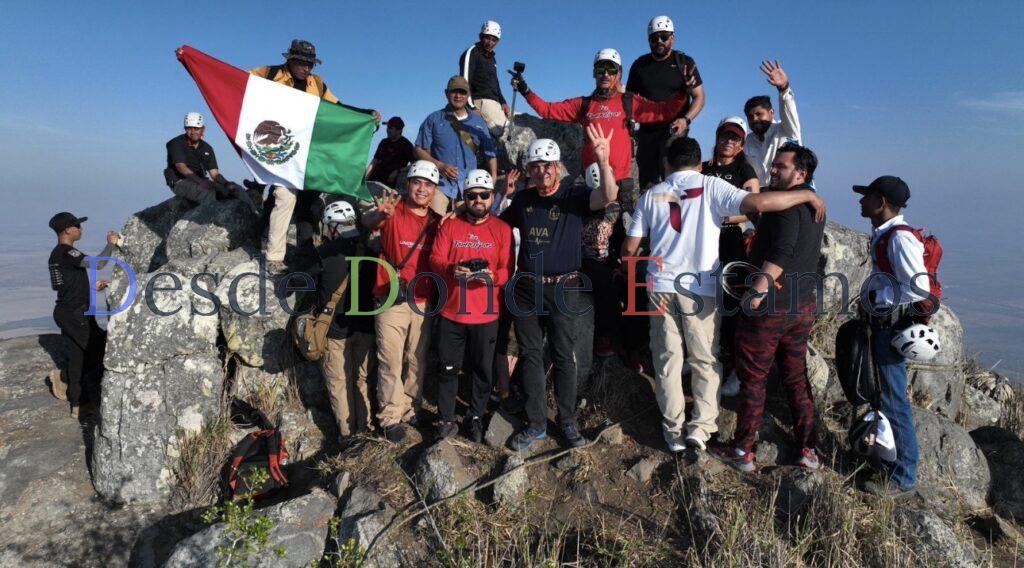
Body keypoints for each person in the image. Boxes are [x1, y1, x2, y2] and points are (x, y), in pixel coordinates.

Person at [621, 138, 825, 453]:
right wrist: (807, 193)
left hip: (660, 286)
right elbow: (758, 204)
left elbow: (629, 250)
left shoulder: (651, 195)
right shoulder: (712, 186)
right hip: (701, 287)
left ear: (667, 164)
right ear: (699, 163)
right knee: (704, 358)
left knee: (667, 361)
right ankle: (701, 429)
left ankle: (673, 432)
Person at [499, 125, 619, 452]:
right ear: (529, 171)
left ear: (558, 167)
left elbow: (608, 196)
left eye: (547, 165)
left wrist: (603, 160)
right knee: (530, 355)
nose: (541, 172)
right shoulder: (523, 199)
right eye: (535, 166)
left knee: (564, 355)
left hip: (563, 287)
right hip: (527, 287)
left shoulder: (574, 195)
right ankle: (536, 423)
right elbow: (495, 225)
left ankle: (567, 421)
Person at [710, 143, 826, 472]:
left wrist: (757, 291)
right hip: (801, 304)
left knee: (753, 378)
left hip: (771, 307)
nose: (773, 170)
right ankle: (807, 449)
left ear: (801, 173)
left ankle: (742, 450)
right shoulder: (813, 205)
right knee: (795, 377)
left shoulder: (786, 207)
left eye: (781, 167)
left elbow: (783, 251)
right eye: (774, 165)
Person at [251, 40, 381, 274]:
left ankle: (305, 249)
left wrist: (365, 114)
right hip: (281, 148)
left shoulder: (317, 83)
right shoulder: (269, 74)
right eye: (302, 63)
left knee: (309, 201)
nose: (306, 68)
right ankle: (274, 257)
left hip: (308, 153)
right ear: (290, 60)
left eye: (310, 64)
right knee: (284, 196)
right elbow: (236, 81)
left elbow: (338, 107)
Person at [512, 48, 687, 212]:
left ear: (619, 74)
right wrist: (526, 91)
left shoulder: (629, 101)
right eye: (601, 68)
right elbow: (547, 109)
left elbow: (663, 111)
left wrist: (683, 92)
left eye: (611, 69)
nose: (605, 74)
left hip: (621, 184)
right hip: (592, 183)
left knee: (621, 230)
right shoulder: (583, 105)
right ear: (594, 73)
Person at [855, 175, 929, 498]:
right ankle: (888, 461)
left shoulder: (899, 238)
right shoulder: (885, 234)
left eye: (867, 196)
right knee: (884, 396)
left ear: (881, 202)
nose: (861, 201)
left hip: (891, 327)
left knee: (894, 400)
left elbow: (919, 289)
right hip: (883, 325)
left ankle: (904, 476)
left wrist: (880, 302)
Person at [429, 170, 514, 442]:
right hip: (452, 311)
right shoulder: (450, 226)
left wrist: (492, 277)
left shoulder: (502, 230)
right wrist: (451, 269)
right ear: (464, 198)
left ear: (492, 196)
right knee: (447, 367)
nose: (478, 200)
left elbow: (507, 269)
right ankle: (445, 417)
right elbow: (435, 258)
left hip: (486, 314)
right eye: (472, 196)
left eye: (484, 195)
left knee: (482, 369)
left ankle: (475, 415)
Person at [362, 160, 441, 443]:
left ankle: (411, 408)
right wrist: (379, 215)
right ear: (408, 184)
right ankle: (390, 417)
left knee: (416, 359)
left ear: (434, 190)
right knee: (390, 359)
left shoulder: (437, 222)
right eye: (417, 182)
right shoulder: (394, 211)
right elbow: (369, 223)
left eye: (428, 184)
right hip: (391, 298)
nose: (422, 189)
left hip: (423, 299)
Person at [701, 116, 760, 397]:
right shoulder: (704, 168)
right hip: (704, 240)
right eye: (725, 136)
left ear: (742, 144)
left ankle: (736, 369)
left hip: (730, 240)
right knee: (702, 298)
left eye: (735, 138)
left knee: (731, 303)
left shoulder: (744, 169)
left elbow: (752, 206)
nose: (728, 141)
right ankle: (701, 357)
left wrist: (721, 216)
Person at [47, 213, 119, 418]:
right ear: (67, 229)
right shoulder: (67, 252)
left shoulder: (56, 255)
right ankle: (64, 378)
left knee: (78, 356)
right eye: (77, 225)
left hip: (70, 312)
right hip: (74, 314)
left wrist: (91, 288)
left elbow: (66, 285)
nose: (81, 229)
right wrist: (111, 244)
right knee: (101, 349)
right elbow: (98, 264)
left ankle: (78, 403)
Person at [317, 200, 377, 443]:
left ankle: (348, 435)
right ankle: (366, 428)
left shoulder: (324, 254)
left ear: (331, 227)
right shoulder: (371, 252)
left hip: (335, 330)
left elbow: (299, 278)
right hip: (366, 327)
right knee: (363, 379)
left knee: (339, 383)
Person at [626, 15, 705, 188]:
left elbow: (699, 96)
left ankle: (675, 204)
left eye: (664, 36)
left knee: (673, 175)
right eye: (654, 38)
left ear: (672, 38)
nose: (659, 41)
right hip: (646, 132)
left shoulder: (684, 63)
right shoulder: (639, 65)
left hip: (675, 129)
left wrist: (686, 120)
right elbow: (629, 99)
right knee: (647, 181)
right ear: (648, 40)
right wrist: (630, 121)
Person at [415, 75, 498, 213]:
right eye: (454, 91)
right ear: (446, 93)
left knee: (466, 224)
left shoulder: (478, 122)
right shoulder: (433, 119)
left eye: (462, 92)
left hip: (468, 187)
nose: (458, 96)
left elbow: (490, 153)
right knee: (434, 221)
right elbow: (418, 149)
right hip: (440, 185)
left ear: (468, 94)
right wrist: (440, 166)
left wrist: (493, 177)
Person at [164, 113, 255, 211]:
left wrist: (226, 183)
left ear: (203, 129)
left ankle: (254, 213)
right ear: (185, 129)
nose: (193, 132)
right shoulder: (176, 143)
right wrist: (201, 181)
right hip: (179, 181)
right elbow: (181, 167)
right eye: (189, 128)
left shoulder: (207, 148)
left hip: (200, 180)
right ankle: (213, 217)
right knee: (208, 194)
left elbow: (214, 174)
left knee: (236, 189)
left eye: (196, 128)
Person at [744, 60, 802, 186]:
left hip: (794, 193)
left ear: (772, 112)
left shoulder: (786, 129)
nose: (755, 119)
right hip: (764, 195)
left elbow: (788, 109)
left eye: (759, 114)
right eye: (750, 117)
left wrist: (784, 88)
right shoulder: (748, 141)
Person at [459, 20, 510, 131]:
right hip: (480, 101)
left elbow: (495, 82)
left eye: (494, 40)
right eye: (487, 38)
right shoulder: (472, 52)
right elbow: (464, 81)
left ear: (498, 41)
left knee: (514, 124)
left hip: (495, 103)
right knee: (504, 131)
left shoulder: (492, 58)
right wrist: (471, 107)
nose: (490, 42)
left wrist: (503, 101)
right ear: (480, 36)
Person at [366, 117, 415, 187]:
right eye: (387, 127)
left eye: (390, 128)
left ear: (399, 130)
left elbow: (414, 164)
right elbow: (374, 162)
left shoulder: (406, 145)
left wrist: (398, 171)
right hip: (374, 180)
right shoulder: (383, 142)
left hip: (390, 185)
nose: (387, 130)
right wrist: (364, 179)